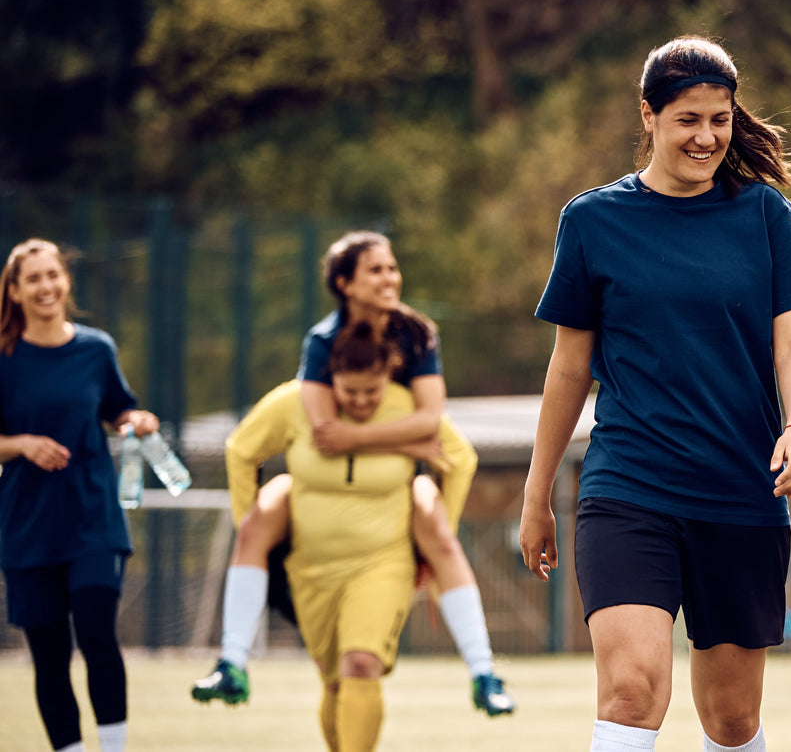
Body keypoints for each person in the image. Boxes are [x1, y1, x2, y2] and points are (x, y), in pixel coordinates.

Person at [519, 36, 791, 752]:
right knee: (631, 692)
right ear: (648, 115)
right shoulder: (592, 220)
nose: (707, 137)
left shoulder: (765, 215)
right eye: (688, 119)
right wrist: (537, 495)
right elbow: (568, 368)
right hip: (630, 486)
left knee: (732, 718)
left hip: (742, 490)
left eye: (720, 119)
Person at [192, 231, 513, 715]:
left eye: (392, 267)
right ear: (344, 284)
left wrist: (392, 451)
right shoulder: (323, 341)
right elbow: (326, 433)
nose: (390, 278)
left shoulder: (417, 333)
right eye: (375, 270)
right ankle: (231, 660)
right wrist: (251, 528)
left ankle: (483, 669)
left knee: (435, 524)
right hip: (328, 488)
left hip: (394, 485)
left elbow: (426, 422)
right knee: (264, 511)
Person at [221, 322, 474, 751]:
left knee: (360, 663)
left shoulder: (407, 406)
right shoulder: (295, 401)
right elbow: (240, 449)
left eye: (371, 391)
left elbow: (461, 459)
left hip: (384, 561)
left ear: (388, 375)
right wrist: (252, 530)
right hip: (310, 566)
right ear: (329, 375)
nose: (360, 401)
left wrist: (431, 544)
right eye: (348, 391)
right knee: (334, 678)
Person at [0, 238, 161, 752]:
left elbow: (118, 411)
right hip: (27, 526)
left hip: (93, 518)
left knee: (96, 631)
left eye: (53, 275)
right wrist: (21, 445)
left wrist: (135, 420)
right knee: (49, 654)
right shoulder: (4, 356)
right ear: (14, 291)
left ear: (65, 280)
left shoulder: (96, 349)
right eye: (33, 278)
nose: (45, 286)